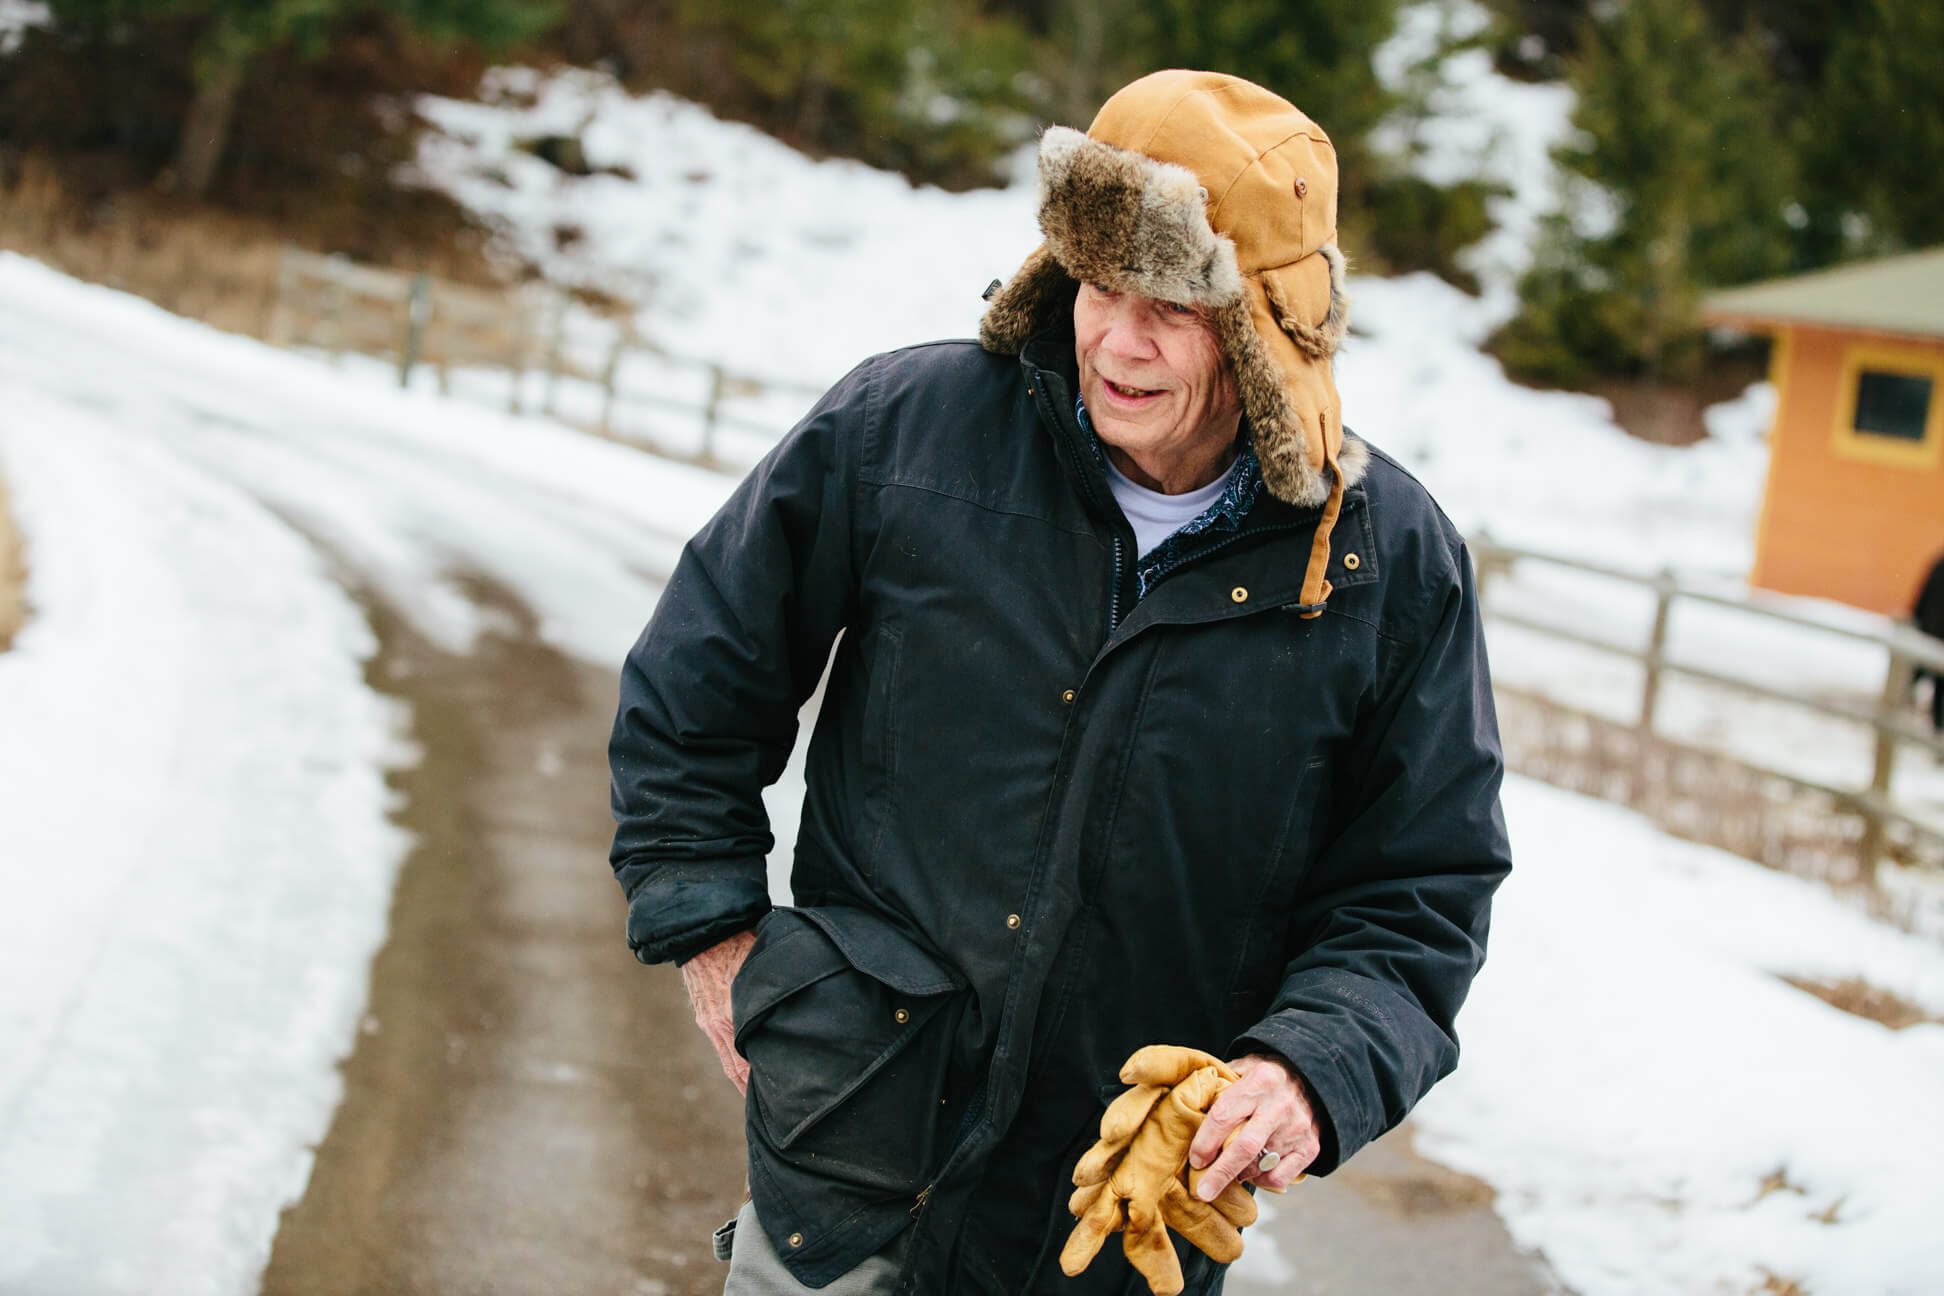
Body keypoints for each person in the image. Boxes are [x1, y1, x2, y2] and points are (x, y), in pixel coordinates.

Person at [608, 69, 1511, 1294]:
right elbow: (700, 676)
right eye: (1100, 285)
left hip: (1117, 1221)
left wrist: (1305, 1071)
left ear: (1264, 325)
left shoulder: (1379, 566)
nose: (1119, 343)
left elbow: (1418, 890)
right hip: (847, 1166)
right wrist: (714, 931)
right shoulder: (904, 432)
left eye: (1176, 308)